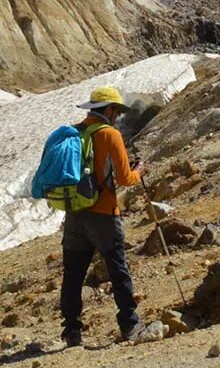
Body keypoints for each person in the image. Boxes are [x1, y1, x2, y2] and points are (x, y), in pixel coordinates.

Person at [57, 85, 158, 347]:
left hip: (75, 212)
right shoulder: (110, 135)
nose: (117, 116)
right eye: (116, 111)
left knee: (73, 276)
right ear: (110, 111)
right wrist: (141, 171)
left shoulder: (76, 132)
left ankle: (72, 333)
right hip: (103, 213)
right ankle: (130, 325)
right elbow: (126, 178)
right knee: (117, 269)